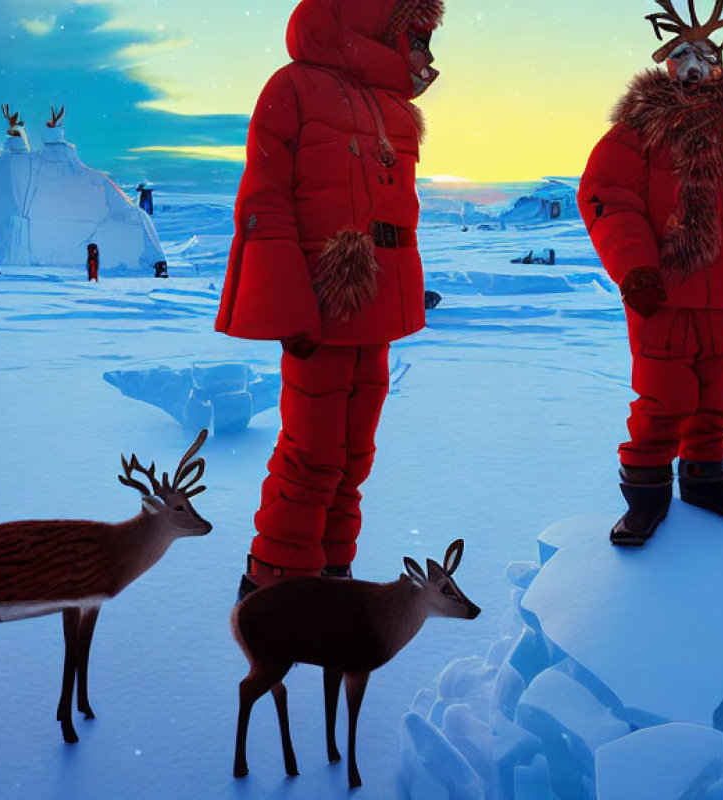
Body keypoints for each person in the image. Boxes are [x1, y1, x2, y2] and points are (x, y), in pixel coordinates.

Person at [216, 0, 444, 598]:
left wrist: (406, 290)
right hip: (321, 306)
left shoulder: (396, 108)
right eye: (415, 36)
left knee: (354, 456)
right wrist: (287, 305)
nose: (425, 53)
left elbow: (399, 212)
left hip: (377, 313)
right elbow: (264, 202)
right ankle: (276, 585)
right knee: (312, 452)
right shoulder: (291, 89)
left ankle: (333, 576)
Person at [578, 0, 723, 546]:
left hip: (719, 289)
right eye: (682, 54)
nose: (694, 65)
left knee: (716, 397)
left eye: (704, 55)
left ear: (718, 64)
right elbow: (608, 196)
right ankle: (646, 499)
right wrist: (637, 270)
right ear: (666, 63)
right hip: (662, 293)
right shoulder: (638, 129)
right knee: (664, 398)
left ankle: (706, 484)